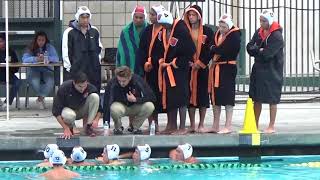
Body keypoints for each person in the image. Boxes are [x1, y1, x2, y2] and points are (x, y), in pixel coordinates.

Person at [156, 11, 196, 134]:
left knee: (181, 97)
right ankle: (171, 125)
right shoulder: (163, 31)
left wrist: (178, 62)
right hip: (168, 70)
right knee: (170, 97)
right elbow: (160, 48)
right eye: (161, 25)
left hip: (179, 70)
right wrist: (161, 60)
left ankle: (182, 127)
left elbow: (191, 50)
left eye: (165, 25)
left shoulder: (181, 29)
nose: (163, 27)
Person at [246, 10, 284, 134]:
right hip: (258, 69)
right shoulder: (259, 32)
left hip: (273, 70)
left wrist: (257, 50)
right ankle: (255, 125)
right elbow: (249, 47)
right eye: (260, 20)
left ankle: (271, 125)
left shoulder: (277, 36)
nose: (261, 23)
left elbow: (268, 54)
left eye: (264, 21)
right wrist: (259, 49)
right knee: (256, 98)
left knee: (272, 98)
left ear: (270, 21)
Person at [207, 14, 241, 134]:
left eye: (224, 27)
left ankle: (228, 125)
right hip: (216, 68)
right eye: (220, 26)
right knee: (215, 97)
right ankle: (215, 125)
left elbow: (226, 50)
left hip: (228, 68)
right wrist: (214, 48)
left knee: (227, 97)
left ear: (229, 26)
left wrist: (214, 48)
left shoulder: (235, 35)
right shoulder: (217, 34)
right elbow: (210, 47)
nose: (221, 29)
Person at [183, 5, 213, 133]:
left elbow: (210, 49)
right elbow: (181, 48)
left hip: (202, 68)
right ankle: (192, 124)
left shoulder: (207, 31)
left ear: (199, 16)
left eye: (193, 15)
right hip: (188, 67)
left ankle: (201, 123)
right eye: (189, 15)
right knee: (189, 96)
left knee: (202, 96)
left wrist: (200, 63)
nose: (191, 17)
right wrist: (188, 61)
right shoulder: (184, 30)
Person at [103, 66, 155, 135]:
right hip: (120, 106)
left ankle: (135, 127)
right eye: (119, 81)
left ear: (130, 77)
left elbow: (152, 97)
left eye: (124, 81)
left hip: (135, 105)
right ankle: (118, 128)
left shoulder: (137, 80)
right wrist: (106, 127)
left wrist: (136, 99)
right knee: (113, 108)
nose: (121, 83)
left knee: (150, 106)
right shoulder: (112, 83)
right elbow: (106, 103)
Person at [138, 5, 166, 133]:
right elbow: (142, 49)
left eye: (154, 15)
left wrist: (156, 61)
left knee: (162, 97)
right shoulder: (147, 30)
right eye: (150, 14)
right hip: (149, 70)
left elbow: (166, 50)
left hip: (161, 68)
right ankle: (152, 124)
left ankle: (163, 124)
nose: (151, 17)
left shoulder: (165, 29)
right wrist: (144, 63)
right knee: (150, 96)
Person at [62, 6, 103, 91]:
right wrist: (69, 68)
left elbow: (99, 48)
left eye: (87, 17)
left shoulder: (94, 31)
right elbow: (65, 52)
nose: (85, 20)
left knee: (94, 92)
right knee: (76, 93)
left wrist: (97, 63)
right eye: (82, 17)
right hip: (77, 69)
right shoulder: (69, 32)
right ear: (77, 17)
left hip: (93, 69)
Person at [52, 72, 102, 138]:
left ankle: (88, 127)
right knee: (69, 116)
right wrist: (65, 128)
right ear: (74, 83)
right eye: (80, 86)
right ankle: (70, 128)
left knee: (95, 97)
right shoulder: (64, 88)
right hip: (69, 111)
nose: (82, 89)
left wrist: (96, 120)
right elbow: (56, 112)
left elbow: (99, 109)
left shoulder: (90, 88)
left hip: (82, 110)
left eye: (84, 86)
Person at [22, 31, 59, 109]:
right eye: (39, 40)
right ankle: (41, 98)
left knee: (50, 81)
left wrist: (47, 58)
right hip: (34, 69)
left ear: (46, 40)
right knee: (35, 82)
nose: (41, 42)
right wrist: (36, 59)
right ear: (36, 40)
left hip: (46, 69)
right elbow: (25, 59)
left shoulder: (49, 47)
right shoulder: (30, 47)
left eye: (43, 40)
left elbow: (56, 58)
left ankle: (40, 99)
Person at [116, 5, 148, 76]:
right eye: (136, 17)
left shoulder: (150, 29)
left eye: (141, 17)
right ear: (132, 17)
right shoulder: (126, 31)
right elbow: (121, 51)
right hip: (129, 66)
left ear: (145, 18)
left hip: (146, 66)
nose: (138, 20)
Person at [0, 33, 21, 110]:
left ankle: (7, 102)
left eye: (2, 41)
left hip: (8, 74)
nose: (1, 43)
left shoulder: (10, 51)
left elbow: (17, 67)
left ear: (6, 42)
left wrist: (10, 65)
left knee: (17, 82)